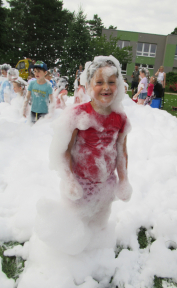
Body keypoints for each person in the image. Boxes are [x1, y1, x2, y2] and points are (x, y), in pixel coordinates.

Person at [51, 55, 132, 234]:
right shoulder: (78, 115)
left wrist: (124, 181)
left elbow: (121, 151)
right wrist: (70, 180)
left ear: (118, 86)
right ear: (88, 85)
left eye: (111, 82)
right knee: (76, 225)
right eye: (99, 82)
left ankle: (97, 247)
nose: (106, 87)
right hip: (81, 182)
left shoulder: (121, 118)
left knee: (99, 222)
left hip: (106, 182)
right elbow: (64, 150)